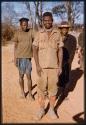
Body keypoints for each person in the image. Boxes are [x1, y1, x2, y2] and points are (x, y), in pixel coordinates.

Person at [33, 12, 63, 120]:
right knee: (41, 90)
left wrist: (60, 66)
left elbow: (60, 50)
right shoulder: (38, 33)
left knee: (53, 90)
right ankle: (41, 109)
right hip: (42, 68)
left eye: (49, 20)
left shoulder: (57, 33)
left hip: (54, 68)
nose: (47, 22)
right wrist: (37, 65)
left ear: (52, 20)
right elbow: (34, 49)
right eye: (45, 20)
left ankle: (51, 110)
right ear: (42, 21)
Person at [13, 17, 34, 100]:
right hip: (20, 58)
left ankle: (30, 94)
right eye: (23, 25)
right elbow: (15, 46)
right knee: (21, 76)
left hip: (28, 58)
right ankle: (22, 92)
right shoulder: (17, 33)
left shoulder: (31, 32)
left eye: (26, 25)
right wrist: (15, 58)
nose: (25, 26)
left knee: (29, 76)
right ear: (20, 25)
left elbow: (37, 37)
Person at [58, 21, 77, 95]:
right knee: (56, 77)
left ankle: (63, 92)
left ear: (68, 29)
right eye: (63, 28)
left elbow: (73, 50)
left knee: (66, 77)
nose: (64, 30)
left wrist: (70, 60)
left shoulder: (73, 38)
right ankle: (54, 93)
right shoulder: (57, 37)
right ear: (60, 29)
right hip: (57, 61)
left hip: (67, 61)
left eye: (66, 28)